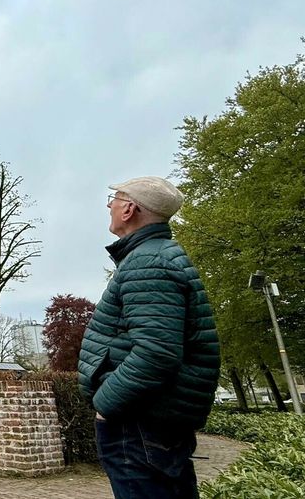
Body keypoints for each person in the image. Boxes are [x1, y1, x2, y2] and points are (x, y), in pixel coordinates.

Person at [78, 176, 220, 499]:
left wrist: (105, 405)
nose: (110, 207)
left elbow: (156, 352)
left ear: (129, 209)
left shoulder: (148, 261)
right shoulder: (153, 256)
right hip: (151, 422)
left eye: (113, 200)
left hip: (138, 423)